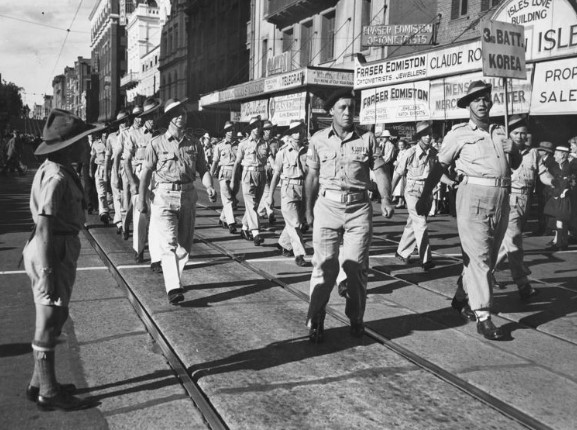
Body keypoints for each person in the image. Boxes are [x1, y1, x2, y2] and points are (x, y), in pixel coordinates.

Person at [416, 81, 521, 341]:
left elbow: (515, 165)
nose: (482, 103)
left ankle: (461, 297)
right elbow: (439, 166)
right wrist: (426, 194)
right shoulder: (458, 133)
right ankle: (483, 316)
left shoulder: (500, 132)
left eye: (486, 98)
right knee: (480, 259)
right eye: (476, 99)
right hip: (473, 196)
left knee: (488, 257)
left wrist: (514, 150)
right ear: (468, 106)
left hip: (502, 197)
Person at [23, 109, 103, 410]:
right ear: (68, 146)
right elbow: (44, 228)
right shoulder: (56, 177)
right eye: (83, 141)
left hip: (57, 247)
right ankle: (48, 392)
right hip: (51, 250)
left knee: (55, 317)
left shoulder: (58, 167)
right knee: (48, 320)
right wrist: (47, 273)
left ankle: (39, 382)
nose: (88, 145)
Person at [304, 88, 384, 343]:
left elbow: (380, 171)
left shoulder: (368, 139)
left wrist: (388, 198)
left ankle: (356, 317)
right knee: (324, 268)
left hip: (359, 209)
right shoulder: (318, 139)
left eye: (352, 107)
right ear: (331, 111)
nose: (349, 112)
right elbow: (312, 177)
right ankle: (316, 317)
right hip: (327, 207)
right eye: (343, 108)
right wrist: (307, 210)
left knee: (355, 268)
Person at [137, 98, 216, 305]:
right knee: (168, 244)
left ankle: (176, 280)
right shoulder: (156, 143)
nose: (182, 116)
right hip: (164, 195)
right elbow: (146, 172)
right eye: (177, 114)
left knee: (184, 246)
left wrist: (208, 186)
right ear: (170, 118)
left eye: (184, 113)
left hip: (188, 195)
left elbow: (203, 169)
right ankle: (173, 287)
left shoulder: (194, 143)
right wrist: (141, 198)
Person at [494, 115, 556, 298]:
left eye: (523, 133)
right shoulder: (501, 151)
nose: (520, 137)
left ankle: (485, 273)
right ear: (509, 134)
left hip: (525, 202)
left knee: (507, 244)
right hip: (508, 199)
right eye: (516, 133)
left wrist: (555, 182)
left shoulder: (533, 153)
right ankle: (523, 283)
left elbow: (542, 174)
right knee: (513, 241)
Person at [392, 121, 455, 270]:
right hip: (413, 191)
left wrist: (451, 182)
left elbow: (437, 174)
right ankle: (426, 259)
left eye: (430, 134)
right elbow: (397, 175)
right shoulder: (410, 153)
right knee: (421, 223)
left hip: (427, 192)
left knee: (412, 224)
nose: (428, 137)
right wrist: (386, 196)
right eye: (425, 134)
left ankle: (402, 252)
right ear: (419, 136)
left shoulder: (434, 154)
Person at [124, 99, 162, 263]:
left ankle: (156, 257)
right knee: (140, 214)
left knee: (157, 217)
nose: (152, 118)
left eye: (155, 114)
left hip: (159, 177)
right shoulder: (133, 135)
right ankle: (139, 250)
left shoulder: (163, 134)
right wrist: (132, 183)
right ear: (143, 117)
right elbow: (126, 161)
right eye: (149, 115)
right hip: (140, 176)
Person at [267, 119, 309, 267]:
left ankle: (284, 243)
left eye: (300, 130)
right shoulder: (283, 152)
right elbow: (276, 174)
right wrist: (270, 196)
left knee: (297, 221)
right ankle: (299, 254)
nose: (298, 134)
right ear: (290, 134)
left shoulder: (308, 150)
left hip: (304, 190)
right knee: (295, 223)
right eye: (295, 131)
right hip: (288, 189)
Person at [232, 116, 269, 246]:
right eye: (254, 126)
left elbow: (268, 160)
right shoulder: (243, 144)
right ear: (250, 129)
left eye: (259, 126)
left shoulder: (265, 143)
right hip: (248, 174)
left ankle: (244, 228)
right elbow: (237, 162)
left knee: (255, 204)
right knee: (251, 204)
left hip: (261, 174)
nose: (257, 128)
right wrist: (233, 180)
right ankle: (256, 233)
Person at [211, 120, 239, 234]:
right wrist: (210, 175)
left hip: (235, 173)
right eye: (228, 130)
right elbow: (215, 161)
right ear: (225, 132)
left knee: (232, 198)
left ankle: (223, 218)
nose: (230, 132)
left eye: (232, 130)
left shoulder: (238, 145)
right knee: (227, 199)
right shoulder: (219, 146)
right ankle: (231, 223)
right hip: (223, 173)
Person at [108, 110, 131, 235]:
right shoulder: (112, 137)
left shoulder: (131, 133)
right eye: (121, 121)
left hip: (129, 167)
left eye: (126, 120)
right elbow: (111, 156)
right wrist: (113, 173)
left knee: (126, 197)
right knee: (117, 196)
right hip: (117, 168)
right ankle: (120, 222)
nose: (124, 123)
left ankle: (124, 221)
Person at [546, 146, 573, 251]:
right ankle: (561, 242)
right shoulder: (555, 167)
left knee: (561, 219)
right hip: (557, 195)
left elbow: (573, 180)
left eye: (556, 154)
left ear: (562, 155)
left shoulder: (570, 166)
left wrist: (567, 190)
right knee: (560, 219)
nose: (554, 156)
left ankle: (559, 243)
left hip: (565, 196)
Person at [257, 120, 279, 225]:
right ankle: (270, 212)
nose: (268, 131)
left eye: (270, 129)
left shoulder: (276, 142)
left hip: (274, 170)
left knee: (268, 193)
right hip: (264, 169)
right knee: (267, 193)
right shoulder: (260, 142)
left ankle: (260, 211)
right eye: (266, 129)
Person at [89, 127, 112, 224]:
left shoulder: (112, 140)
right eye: (103, 133)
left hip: (111, 169)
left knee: (111, 193)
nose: (105, 135)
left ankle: (113, 212)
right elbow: (92, 158)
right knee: (101, 193)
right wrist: (90, 170)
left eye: (106, 132)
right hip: (100, 169)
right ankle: (104, 213)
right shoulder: (95, 144)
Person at [535, 141, 556, 236]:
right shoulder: (539, 160)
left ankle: (548, 229)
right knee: (541, 209)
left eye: (541, 150)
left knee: (548, 210)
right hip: (541, 189)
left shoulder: (552, 161)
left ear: (546, 152)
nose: (538, 152)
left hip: (549, 190)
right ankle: (541, 228)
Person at [373, 129, 396, 217]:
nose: (383, 139)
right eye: (382, 137)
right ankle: (379, 196)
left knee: (386, 180)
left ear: (387, 137)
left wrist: (381, 162)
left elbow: (389, 157)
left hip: (386, 164)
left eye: (384, 137)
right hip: (380, 164)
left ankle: (386, 197)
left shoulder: (391, 146)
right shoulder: (381, 144)